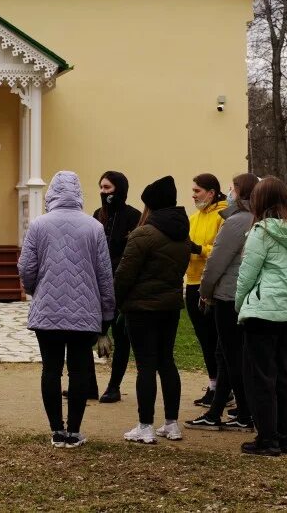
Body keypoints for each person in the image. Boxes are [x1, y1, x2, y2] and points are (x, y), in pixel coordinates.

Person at [18, 171, 116, 449]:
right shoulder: (94, 227)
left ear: (51, 193)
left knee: (50, 370)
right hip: (84, 312)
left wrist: (34, 288)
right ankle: (73, 430)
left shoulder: (39, 225)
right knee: (79, 370)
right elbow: (104, 275)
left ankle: (55, 430)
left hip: (47, 310)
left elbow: (26, 267)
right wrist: (107, 312)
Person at [114, 176, 191, 445]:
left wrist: (115, 302)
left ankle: (145, 425)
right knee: (166, 362)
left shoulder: (142, 235)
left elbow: (124, 276)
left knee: (145, 365)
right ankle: (171, 423)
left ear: (151, 205)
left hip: (142, 308)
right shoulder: (183, 233)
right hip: (170, 306)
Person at [235, 176, 287, 456]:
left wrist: (240, 304)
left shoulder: (261, 232)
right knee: (285, 375)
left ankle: (268, 438)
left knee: (261, 377)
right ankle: (286, 436)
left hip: (263, 311)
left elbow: (247, 274)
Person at [187, 172, 259, 431]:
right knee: (227, 354)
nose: (229, 194)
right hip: (240, 294)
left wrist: (205, 291)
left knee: (230, 354)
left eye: (232, 189)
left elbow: (218, 259)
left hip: (227, 294)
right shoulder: (253, 217)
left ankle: (245, 413)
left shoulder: (237, 221)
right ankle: (220, 411)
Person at [94, 171, 142, 404]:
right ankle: (87, 384)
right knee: (89, 335)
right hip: (97, 286)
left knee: (121, 338)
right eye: (101, 188)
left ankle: (114, 386)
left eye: (108, 188)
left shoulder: (134, 216)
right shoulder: (97, 215)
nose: (104, 193)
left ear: (119, 189)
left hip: (122, 286)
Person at [185, 174, 228, 407]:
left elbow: (224, 251)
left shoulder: (223, 215)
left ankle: (225, 387)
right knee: (204, 339)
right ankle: (213, 385)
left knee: (217, 339)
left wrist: (199, 249)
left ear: (211, 192)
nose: (193, 195)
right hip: (192, 282)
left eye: (198, 191)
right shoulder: (193, 218)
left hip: (213, 285)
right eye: (193, 191)